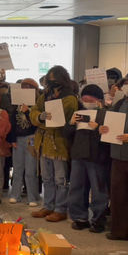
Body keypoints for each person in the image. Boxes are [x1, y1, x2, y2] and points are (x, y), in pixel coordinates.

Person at [30, 66, 78, 222]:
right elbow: (33, 112)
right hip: (43, 143)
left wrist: (43, 120)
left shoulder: (70, 98)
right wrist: (40, 116)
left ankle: (61, 209)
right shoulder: (45, 96)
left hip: (60, 144)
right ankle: (48, 206)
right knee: (46, 177)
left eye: (53, 79)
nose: (50, 82)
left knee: (60, 179)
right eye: (49, 79)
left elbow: (59, 121)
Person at [64, 84, 109, 233]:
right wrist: (71, 124)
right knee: (76, 188)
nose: (86, 101)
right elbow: (67, 134)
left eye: (90, 98)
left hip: (97, 156)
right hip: (79, 156)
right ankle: (80, 218)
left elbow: (110, 135)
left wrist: (97, 127)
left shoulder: (105, 114)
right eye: (84, 98)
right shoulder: (78, 113)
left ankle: (98, 219)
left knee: (98, 190)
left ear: (98, 100)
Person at [100, 70, 128, 247]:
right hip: (117, 155)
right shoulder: (120, 102)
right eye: (126, 83)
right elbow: (110, 122)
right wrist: (103, 129)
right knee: (118, 195)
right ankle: (119, 230)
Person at [8, 78, 40, 206]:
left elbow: (35, 123)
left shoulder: (37, 105)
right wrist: (12, 139)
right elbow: (12, 123)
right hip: (18, 139)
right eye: (24, 87)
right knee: (17, 168)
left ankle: (32, 197)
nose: (25, 89)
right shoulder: (16, 105)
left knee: (31, 169)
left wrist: (28, 111)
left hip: (31, 138)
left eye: (28, 87)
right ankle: (15, 194)